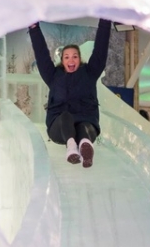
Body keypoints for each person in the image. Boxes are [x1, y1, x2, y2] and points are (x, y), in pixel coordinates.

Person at [28, 18, 112, 167]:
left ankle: (85, 147)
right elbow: (42, 55)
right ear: (62, 60)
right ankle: (72, 146)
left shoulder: (90, 73)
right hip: (59, 128)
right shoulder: (53, 76)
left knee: (83, 126)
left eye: (75, 56)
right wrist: (34, 29)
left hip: (87, 123)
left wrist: (105, 22)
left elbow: (100, 50)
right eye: (67, 57)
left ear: (80, 59)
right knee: (66, 117)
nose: (71, 60)